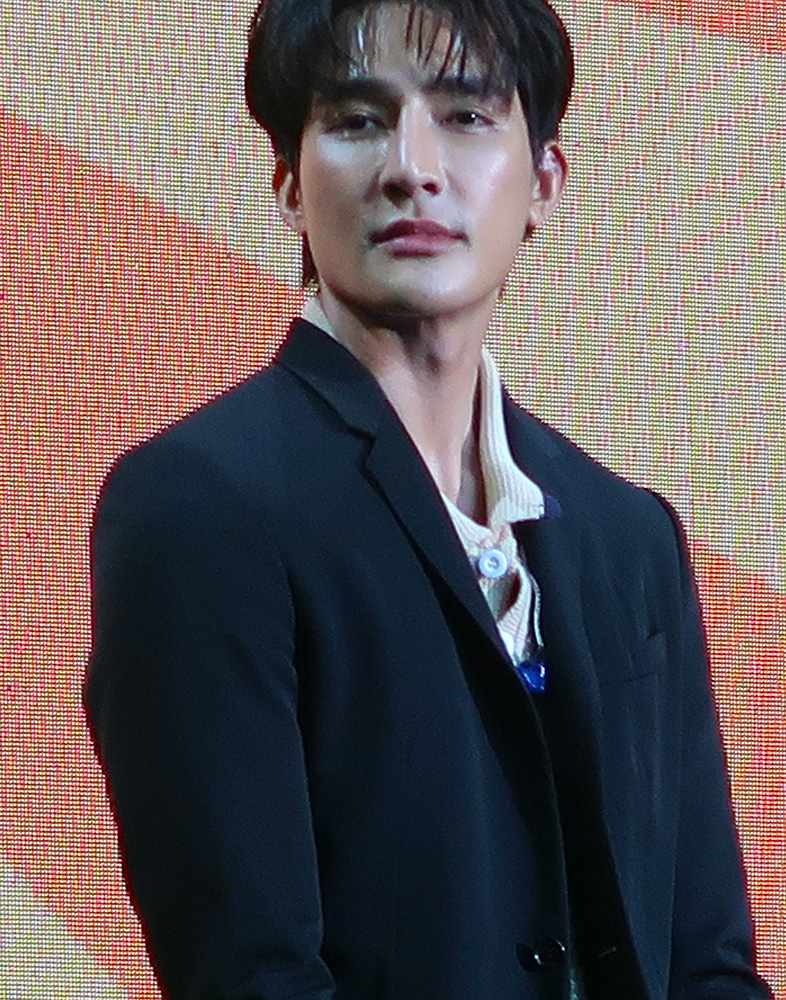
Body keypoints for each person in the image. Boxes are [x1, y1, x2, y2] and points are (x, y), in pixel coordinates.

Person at [84, 0, 774, 998]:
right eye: (359, 120)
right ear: (289, 186)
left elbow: (708, 962)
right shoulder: (199, 507)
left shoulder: (628, 534)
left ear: (544, 183)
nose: (412, 166)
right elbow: (251, 972)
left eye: (465, 115)